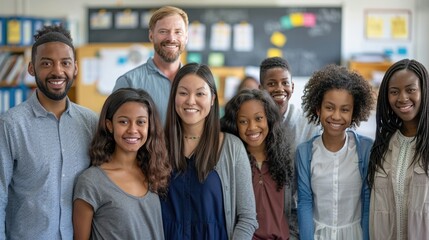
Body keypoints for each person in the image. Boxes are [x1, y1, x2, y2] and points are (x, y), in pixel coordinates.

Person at [0, 25, 98, 239]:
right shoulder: (10, 125)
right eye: (46, 63)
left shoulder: (91, 123)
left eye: (65, 63)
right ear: (31, 68)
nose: (57, 71)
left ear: (75, 68)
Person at [160, 63, 258, 239]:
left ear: (212, 99)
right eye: (183, 93)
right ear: (173, 97)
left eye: (200, 93)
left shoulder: (232, 147)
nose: (191, 101)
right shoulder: (156, 146)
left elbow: (247, 217)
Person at [73, 88, 171, 239]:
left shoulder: (153, 172)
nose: (133, 129)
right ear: (109, 125)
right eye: (123, 121)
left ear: (149, 126)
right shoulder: (91, 182)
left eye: (141, 122)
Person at [296, 64, 375, 240]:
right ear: (318, 109)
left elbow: (368, 199)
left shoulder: (365, 149)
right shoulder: (304, 153)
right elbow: (305, 202)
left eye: (345, 109)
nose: (336, 116)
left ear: (354, 113)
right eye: (329, 107)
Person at [259, 56, 320, 239]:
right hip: (261, 215)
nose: (279, 88)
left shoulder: (309, 124)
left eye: (285, 82)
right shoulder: (254, 123)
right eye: (272, 83)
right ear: (261, 89)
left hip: (297, 216)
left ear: (292, 86)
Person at [368, 59, 429, 240]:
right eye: (394, 92)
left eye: (410, 90)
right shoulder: (382, 146)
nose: (402, 98)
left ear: (424, 91)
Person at [221, 89, 294, 239]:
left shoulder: (284, 159)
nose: (252, 127)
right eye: (243, 121)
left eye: (259, 118)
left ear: (269, 119)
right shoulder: (230, 163)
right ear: (234, 124)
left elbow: (293, 208)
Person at [112, 6, 188, 125]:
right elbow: (114, 129)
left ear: (186, 37)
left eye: (178, 32)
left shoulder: (197, 82)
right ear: (151, 36)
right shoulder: (128, 82)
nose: (171, 38)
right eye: (163, 31)